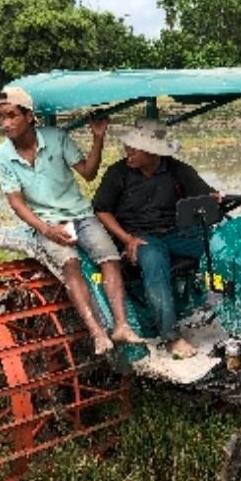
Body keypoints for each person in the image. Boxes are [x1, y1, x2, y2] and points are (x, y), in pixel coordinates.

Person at [0, 87, 143, 354]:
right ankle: (98, 334)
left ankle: (121, 326)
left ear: (29, 116)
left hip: (80, 215)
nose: (5, 124)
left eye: (11, 116)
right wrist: (46, 229)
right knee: (70, 265)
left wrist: (98, 138)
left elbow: (88, 173)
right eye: (1, 117)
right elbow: (16, 202)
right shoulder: (3, 156)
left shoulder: (57, 137)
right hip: (46, 221)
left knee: (109, 259)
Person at [93, 119, 219, 359]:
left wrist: (216, 198)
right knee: (154, 263)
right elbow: (101, 210)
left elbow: (206, 194)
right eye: (128, 146)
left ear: (153, 152)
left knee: (215, 246)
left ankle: (220, 304)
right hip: (138, 237)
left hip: (176, 233)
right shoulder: (118, 173)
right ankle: (170, 337)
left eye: (135, 148)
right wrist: (127, 239)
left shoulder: (177, 170)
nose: (127, 151)